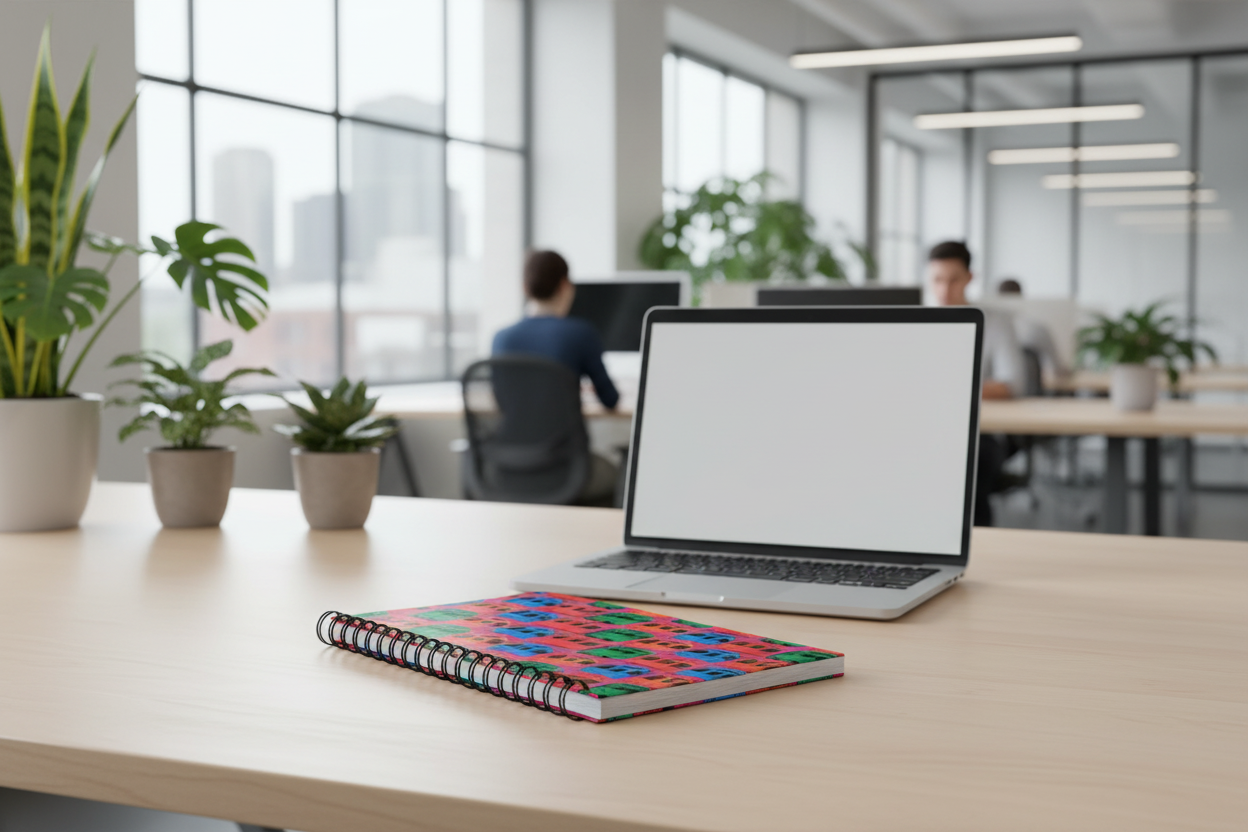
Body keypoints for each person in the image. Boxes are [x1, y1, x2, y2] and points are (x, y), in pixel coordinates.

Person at [492, 250, 619, 503]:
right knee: (619, 471)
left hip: (510, 468)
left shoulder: (501, 338)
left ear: (525, 287)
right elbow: (610, 399)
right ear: (565, 285)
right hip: (569, 471)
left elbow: (503, 401)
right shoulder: (580, 333)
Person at [926, 241, 1025, 526]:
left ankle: (975, 543)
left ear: (970, 277)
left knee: (968, 467)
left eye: (953, 280)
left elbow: (1012, 384)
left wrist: (953, 389)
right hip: (932, 427)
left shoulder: (994, 322)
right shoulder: (920, 323)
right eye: (937, 280)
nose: (945, 290)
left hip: (984, 432)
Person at [997, 278, 1072, 380]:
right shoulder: (1037, 328)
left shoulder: (990, 331)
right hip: (1031, 393)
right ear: (1021, 297)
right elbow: (1057, 368)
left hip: (996, 391)